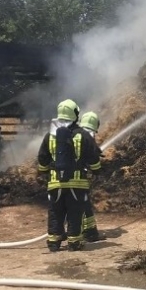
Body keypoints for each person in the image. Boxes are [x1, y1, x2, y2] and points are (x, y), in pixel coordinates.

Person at [37, 99, 101, 252]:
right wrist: (96, 170)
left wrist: (46, 173)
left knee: (55, 212)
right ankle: (74, 242)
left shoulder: (50, 136)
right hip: (77, 185)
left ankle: (53, 241)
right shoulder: (83, 135)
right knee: (74, 214)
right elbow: (93, 157)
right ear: (75, 114)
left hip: (55, 184)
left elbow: (42, 159)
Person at [79, 110, 102, 242]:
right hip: (79, 177)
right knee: (84, 203)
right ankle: (90, 233)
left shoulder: (75, 133)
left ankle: (70, 231)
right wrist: (96, 170)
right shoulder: (89, 135)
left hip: (62, 176)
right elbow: (92, 157)